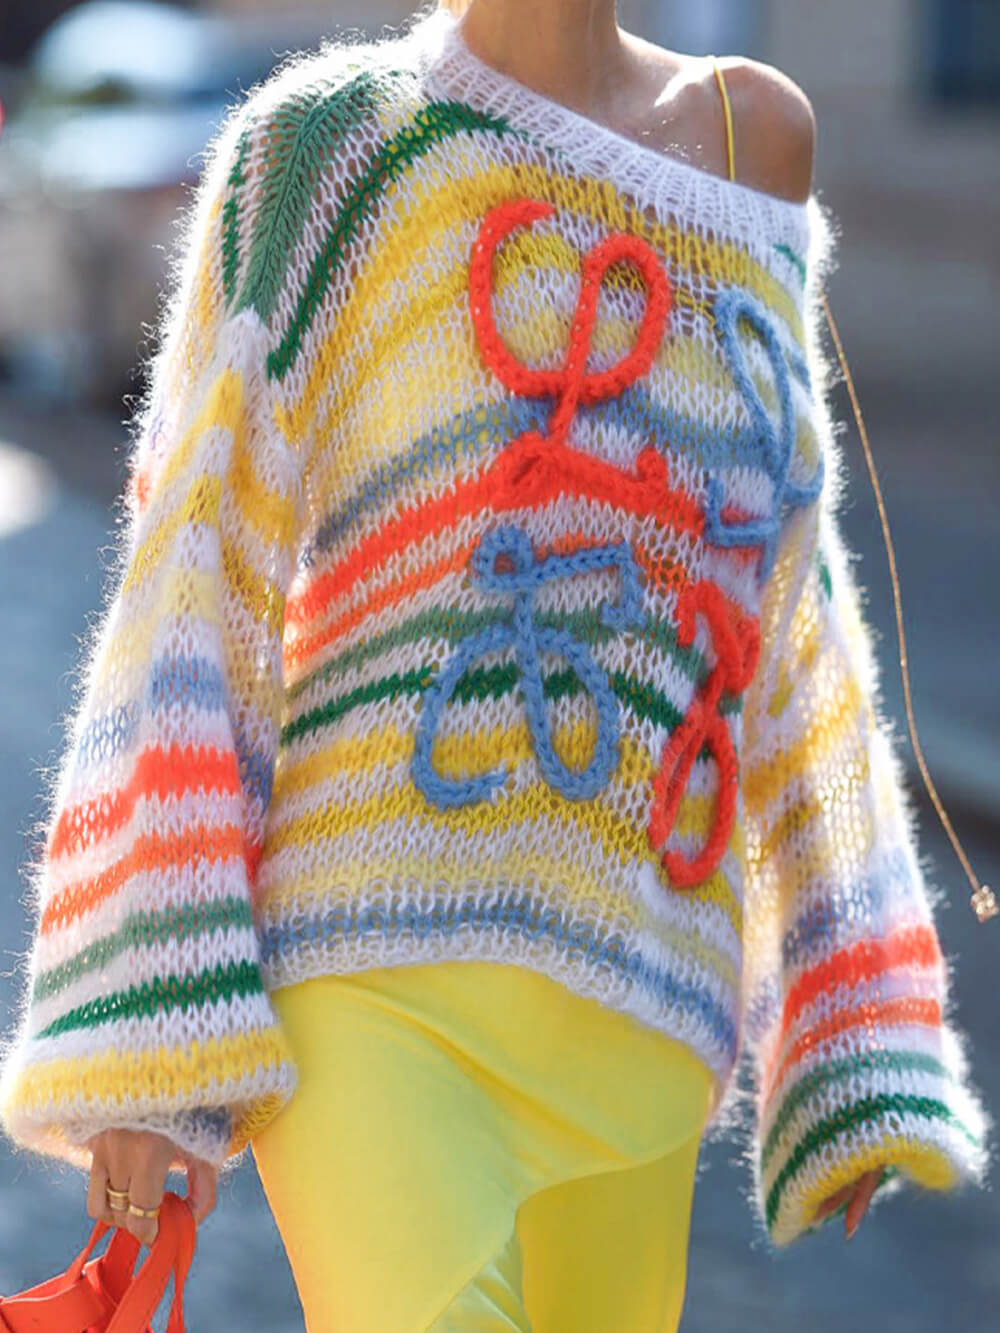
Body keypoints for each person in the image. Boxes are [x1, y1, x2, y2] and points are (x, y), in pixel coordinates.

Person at [0, 1, 990, 1329]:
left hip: (650, 1013)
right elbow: (194, 578)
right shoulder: (326, 147)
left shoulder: (755, 135)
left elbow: (779, 594)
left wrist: (857, 1000)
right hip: (370, 986)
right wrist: (146, 1026)